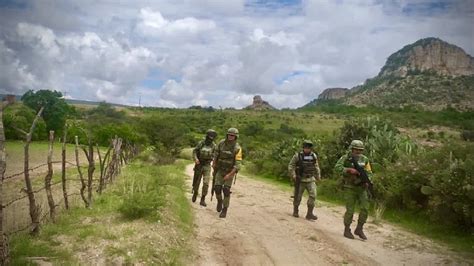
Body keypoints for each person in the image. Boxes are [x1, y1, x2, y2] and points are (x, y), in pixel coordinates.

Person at [334, 140, 373, 240]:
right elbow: (337, 167)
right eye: (356, 150)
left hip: (362, 188)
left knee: (365, 208)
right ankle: (347, 229)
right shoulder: (346, 158)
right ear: (352, 149)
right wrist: (348, 170)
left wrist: (367, 181)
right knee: (350, 210)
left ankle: (359, 228)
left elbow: (369, 172)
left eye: (360, 150)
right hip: (350, 187)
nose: (358, 152)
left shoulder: (365, 159)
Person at [212, 128, 242, 218]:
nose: (230, 136)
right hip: (220, 170)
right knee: (217, 188)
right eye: (229, 135)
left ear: (236, 136)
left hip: (229, 171)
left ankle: (225, 209)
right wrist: (214, 163)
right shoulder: (221, 143)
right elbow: (216, 153)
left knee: (226, 190)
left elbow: (238, 165)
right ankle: (219, 201)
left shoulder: (237, 148)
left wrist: (229, 175)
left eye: (232, 135)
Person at [288, 140, 321, 220]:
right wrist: (293, 175)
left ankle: (309, 213)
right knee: (298, 196)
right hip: (300, 179)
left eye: (309, 148)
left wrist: (318, 176)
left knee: (313, 195)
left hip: (310, 179)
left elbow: (316, 166)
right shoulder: (297, 156)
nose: (307, 149)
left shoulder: (313, 156)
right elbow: (291, 165)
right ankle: (296, 210)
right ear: (303, 148)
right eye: (306, 148)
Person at [192, 129, 217, 207]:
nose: (211, 139)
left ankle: (203, 199)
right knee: (197, 181)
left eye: (212, 137)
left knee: (206, 183)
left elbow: (215, 155)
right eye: (209, 137)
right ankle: (195, 192)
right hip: (199, 164)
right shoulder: (201, 143)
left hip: (207, 165)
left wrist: (214, 162)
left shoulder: (214, 145)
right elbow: (195, 151)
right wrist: (196, 159)